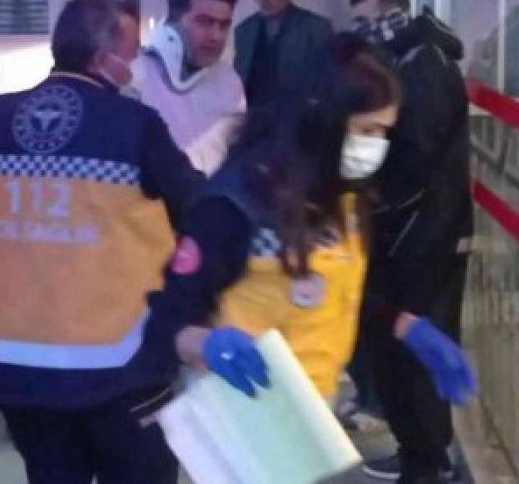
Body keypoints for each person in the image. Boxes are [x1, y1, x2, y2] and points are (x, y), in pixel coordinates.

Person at [144, 34, 476, 425]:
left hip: (310, 417)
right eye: (366, 130)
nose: (375, 146)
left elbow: (333, 294)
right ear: (323, 121)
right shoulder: (237, 205)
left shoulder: (343, 201)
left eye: (384, 132)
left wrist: (405, 326)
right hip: (236, 421)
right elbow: (165, 320)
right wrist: (206, 344)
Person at [0, 0, 205, 484]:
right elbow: (201, 207)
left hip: (12, 367)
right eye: (130, 54)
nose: (133, 65)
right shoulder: (134, 125)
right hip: (117, 365)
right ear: (102, 57)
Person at [348, 0, 475, 483]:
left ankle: (427, 461)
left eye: (367, 22)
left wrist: (374, 196)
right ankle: (415, 451)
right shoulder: (409, 61)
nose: (364, 34)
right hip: (411, 233)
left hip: (424, 238)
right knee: (396, 352)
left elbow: (417, 160)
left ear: (392, 17)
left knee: (414, 360)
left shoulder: (423, 68)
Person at [132, 0, 245, 173]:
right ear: (172, 22)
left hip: (212, 191)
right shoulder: (136, 75)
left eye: (224, 25)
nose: (216, 36)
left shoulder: (230, 80)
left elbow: (237, 150)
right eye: (204, 22)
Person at [234, 0, 334, 109]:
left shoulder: (315, 27)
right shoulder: (244, 31)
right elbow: (239, 76)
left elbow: (328, 77)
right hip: (254, 114)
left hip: (298, 115)